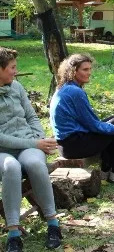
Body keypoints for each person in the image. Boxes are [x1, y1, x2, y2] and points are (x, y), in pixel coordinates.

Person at [0, 47, 62, 252]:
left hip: (29, 142)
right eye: (12, 68)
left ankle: (53, 223)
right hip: (3, 150)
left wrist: (40, 139)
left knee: (35, 163)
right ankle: (13, 233)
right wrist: (34, 144)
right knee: (11, 167)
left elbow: (31, 117)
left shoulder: (16, 87)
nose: (15, 72)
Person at [49, 54, 114, 182]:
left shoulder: (65, 88)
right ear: (73, 71)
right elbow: (93, 125)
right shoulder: (75, 92)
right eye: (85, 69)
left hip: (66, 144)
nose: (89, 73)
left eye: (90, 69)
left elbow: (90, 123)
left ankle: (106, 170)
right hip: (74, 145)